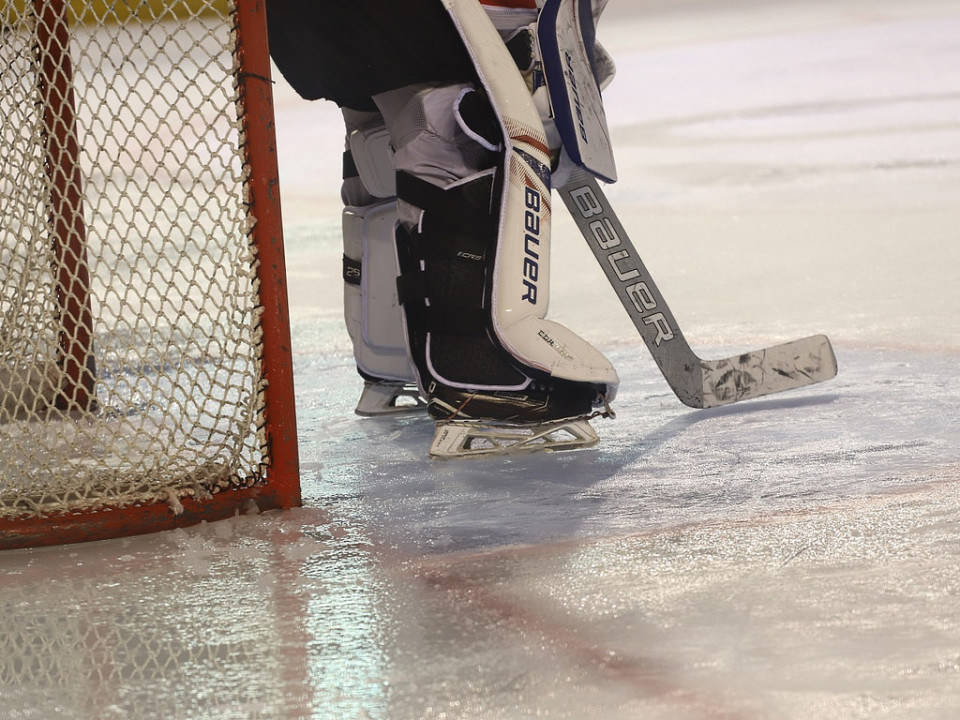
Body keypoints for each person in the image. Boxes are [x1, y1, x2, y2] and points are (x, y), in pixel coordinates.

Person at [265, 0, 619, 456]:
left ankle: (392, 355)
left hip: (293, 19)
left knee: (383, 125)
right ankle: (479, 373)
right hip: (422, 16)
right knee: (456, 129)